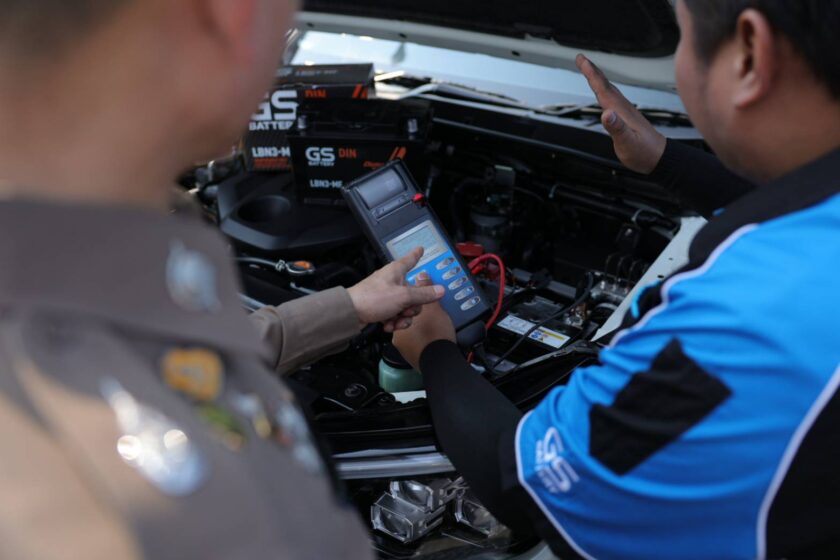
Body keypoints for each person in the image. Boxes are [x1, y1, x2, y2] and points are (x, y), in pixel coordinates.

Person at [394, 1, 840, 558]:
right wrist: (666, 162)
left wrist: (434, 351)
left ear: (749, 54)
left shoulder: (742, 320)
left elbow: (525, 484)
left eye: (680, 35)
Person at [0, 1, 446, 558]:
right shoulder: (145, 509)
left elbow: (190, 366)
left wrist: (349, 307)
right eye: (289, 24)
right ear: (232, 16)